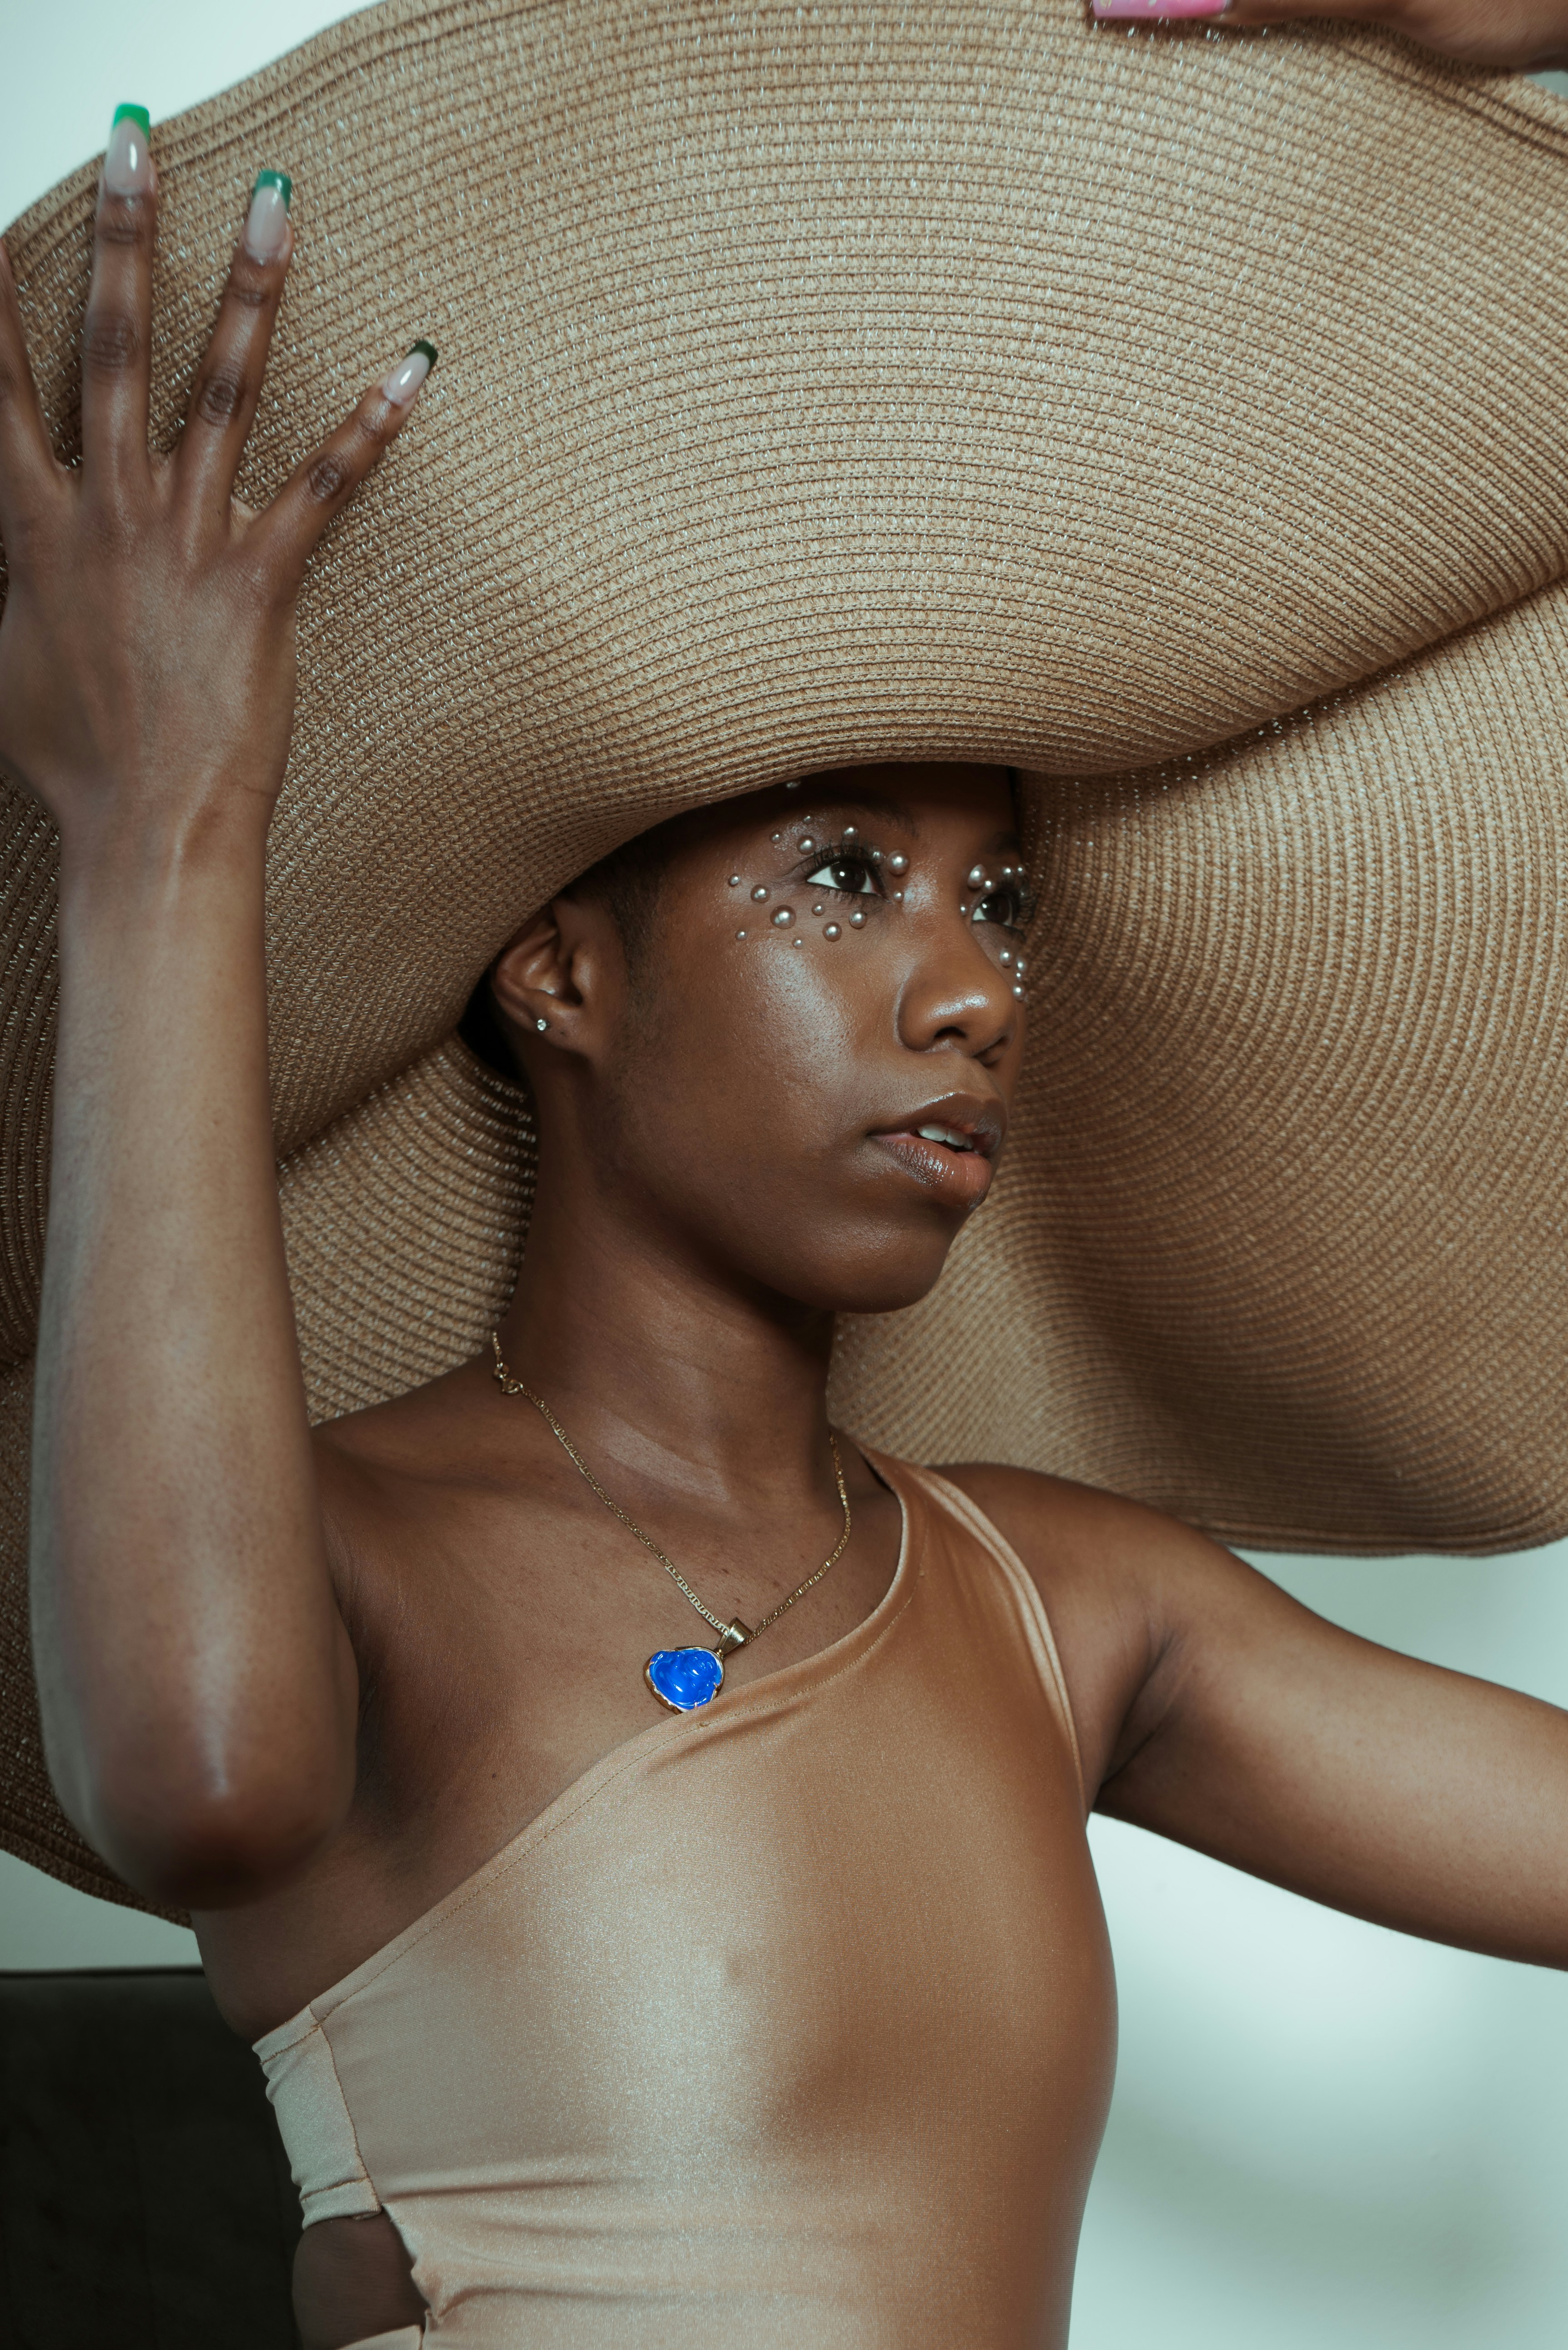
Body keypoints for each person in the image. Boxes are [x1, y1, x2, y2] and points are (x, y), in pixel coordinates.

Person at [2, 17, 1566, 2350]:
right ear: (559, 968)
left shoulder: (1063, 1604)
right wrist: (165, 823)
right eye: (848, 877)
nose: (974, 993)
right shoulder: (349, 1558)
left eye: (1002, 901)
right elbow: (197, 1784)